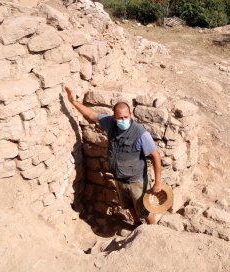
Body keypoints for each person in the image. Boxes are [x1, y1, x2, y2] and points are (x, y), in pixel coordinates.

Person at [64, 85, 162, 225]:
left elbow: (156, 156)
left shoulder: (140, 133)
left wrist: (158, 183)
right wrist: (73, 102)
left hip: (136, 181)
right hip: (119, 178)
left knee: (145, 209)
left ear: (131, 115)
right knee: (127, 205)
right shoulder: (110, 123)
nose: (123, 120)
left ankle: (154, 231)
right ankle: (136, 225)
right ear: (114, 117)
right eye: (120, 118)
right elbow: (91, 115)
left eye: (126, 117)